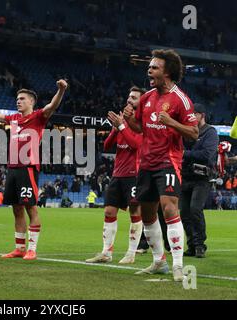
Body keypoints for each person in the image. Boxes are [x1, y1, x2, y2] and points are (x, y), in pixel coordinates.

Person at [123, 49, 199, 281]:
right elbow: (140, 129)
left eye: (154, 67)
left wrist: (172, 122)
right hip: (146, 162)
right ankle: (159, 262)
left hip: (168, 161)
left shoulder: (181, 100)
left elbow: (194, 133)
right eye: (150, 67)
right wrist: (129, 120)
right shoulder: (146, 98)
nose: (150, 70)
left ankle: (178, 265)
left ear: (167, 73)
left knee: (168, 208)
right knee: (148, 214)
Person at [0, 79, 68, 260]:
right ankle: (19, 248)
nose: (18, 101)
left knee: (31, 208)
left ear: (31, 101)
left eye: (22, 99)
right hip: (13, 168)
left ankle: (32, 249)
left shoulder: (39, 116)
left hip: (28, 167)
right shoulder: (14, 119)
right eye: (17, 98)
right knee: (16, 209)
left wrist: (61, 90)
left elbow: (52, 105)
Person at [86, 86, 144, 265]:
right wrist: (115, 128)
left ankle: (131, 253)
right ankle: (106, 253)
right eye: (128, 97)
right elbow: (107, 146)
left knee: (135, 211)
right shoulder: (122, 123)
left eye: (134, 97)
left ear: (141, 102)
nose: (129, 100)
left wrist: (122, 126)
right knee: (109, 211)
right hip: (117, 174)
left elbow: (135, 145)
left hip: (134, 174)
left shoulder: (142, 123)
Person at [180, 103, 219, 258]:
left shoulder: (210, 132)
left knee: (195, 209)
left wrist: (185, 153)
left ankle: (200, 244)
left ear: (201, 115)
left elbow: (207, 155)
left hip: (202, 178)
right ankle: (191, 244)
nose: (190, 117)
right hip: (186, 176)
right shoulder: (188, 131)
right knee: (184, 214)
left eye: (193, 114)